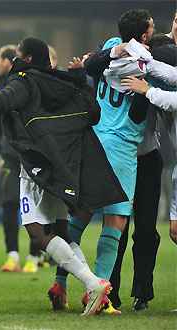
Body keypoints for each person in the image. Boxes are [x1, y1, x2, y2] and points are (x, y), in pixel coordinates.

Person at [0, 37, 127, 316]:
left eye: (18, 55)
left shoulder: (25, 81)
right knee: (61, 230)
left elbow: (3, 100)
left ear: (27, 58)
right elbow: (93, 112)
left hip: (37, 166)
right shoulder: (63, 81)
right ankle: (94, 285)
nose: (13, 60)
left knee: (37, 232)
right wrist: (80, 77)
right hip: (61, 165)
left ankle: (93, 284)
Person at [48, 9, 155, 315]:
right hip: (120, 146)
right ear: (145, 35)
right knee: (116, 220)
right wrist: (145, 93)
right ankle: (99, 291)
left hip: (94, 140)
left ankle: (60, 284)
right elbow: (137, 114)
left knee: (79, 215)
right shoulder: (148, 63)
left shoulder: (110, 46)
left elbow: (92, 65)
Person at [107, 37, 175, 312]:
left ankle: (142, 293)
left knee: (145, 231)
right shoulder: (118, 72)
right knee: (117, 229)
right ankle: (110, 291)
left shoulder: (155, 83)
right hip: (123, 158)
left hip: (147, 158)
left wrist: (146, 90)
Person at [0, 45, 41, 273]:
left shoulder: (28, 84)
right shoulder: (4, 84)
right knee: (9, 203)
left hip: (31, 156)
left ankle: (34, 256)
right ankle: (12, 255)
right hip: (11, 157)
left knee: (34, 209)